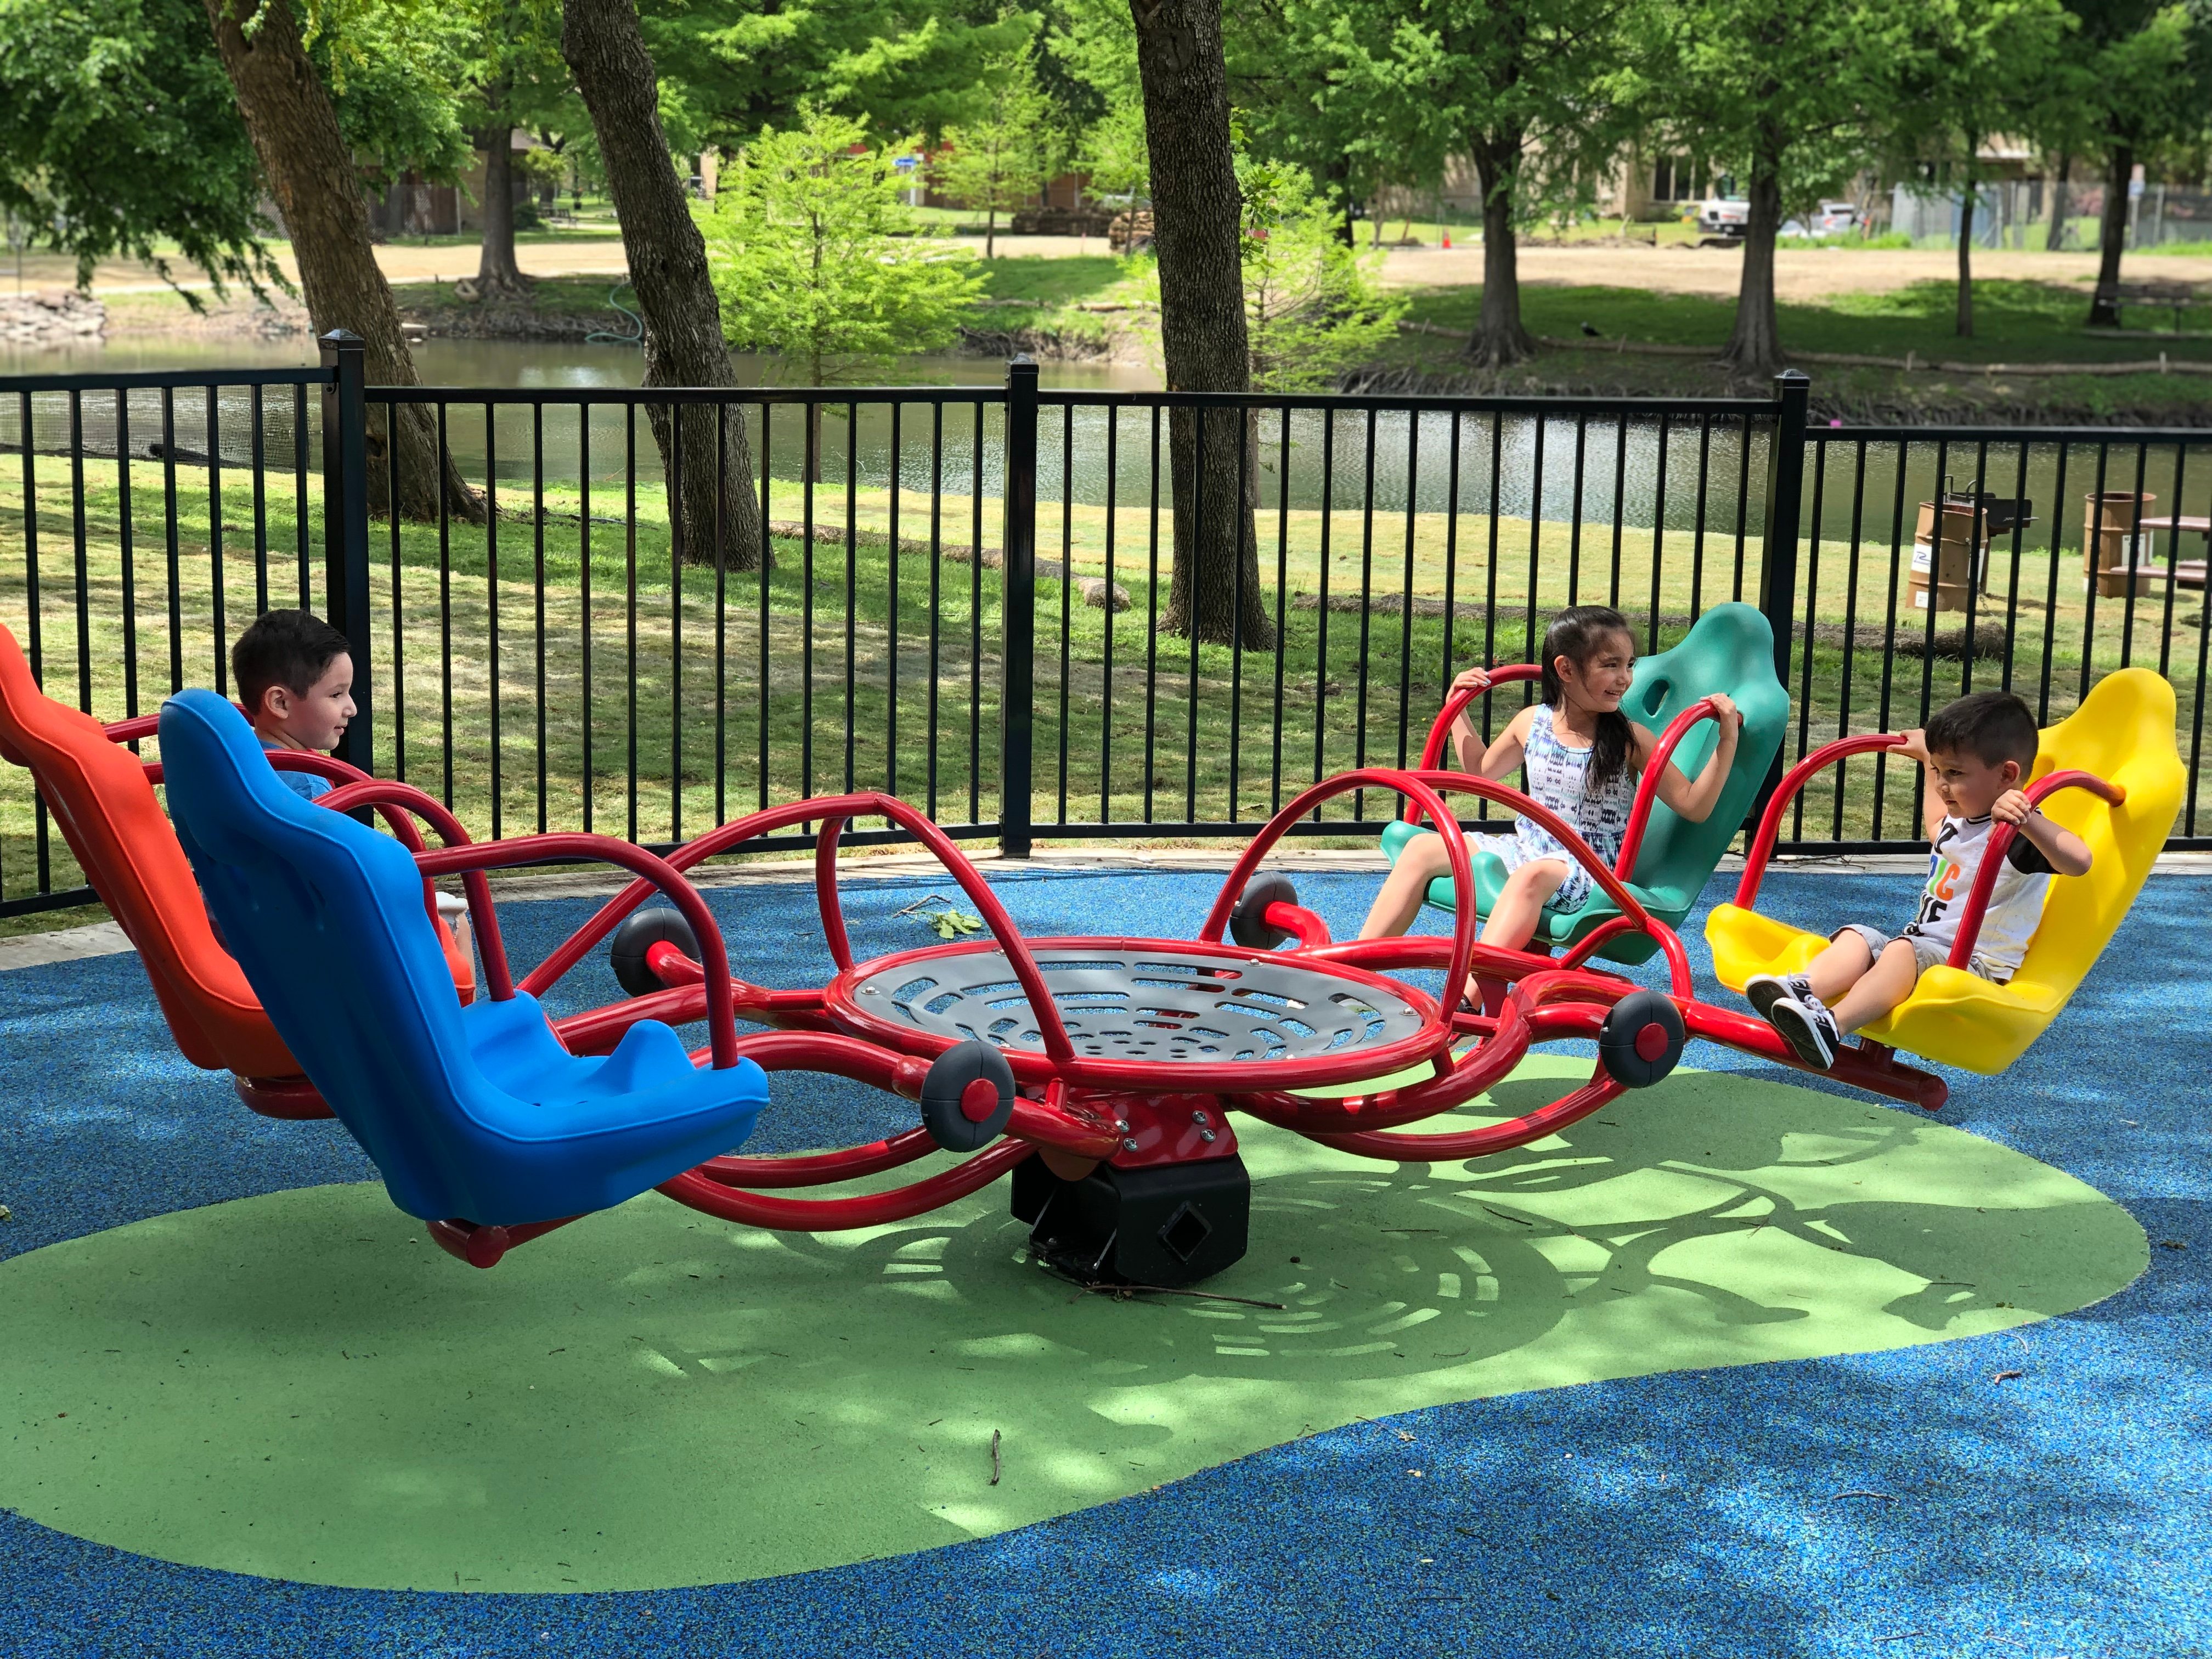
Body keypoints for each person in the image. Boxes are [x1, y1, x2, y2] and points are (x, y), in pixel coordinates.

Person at [1359, 605, 1742, 956]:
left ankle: (1469, 1001)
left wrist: (1726, 742)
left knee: (1533, 876)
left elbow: (1693, 805)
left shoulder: (1631, 739)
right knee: (1422, 849)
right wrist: (1456, 706)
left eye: (1628, 664)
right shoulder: (1532, 722)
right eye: (1610, 665)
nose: (1624, 678)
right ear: (1566, 669)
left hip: (1589, 870)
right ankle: (1354, 971)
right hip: (1530, 848)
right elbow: (1479, 771)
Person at [1747, 688, 2092, 1070]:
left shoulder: (2013, 834)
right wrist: (1928, 759)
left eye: (1955, 773)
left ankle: (1832, 1026)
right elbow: (1934, 825)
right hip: (1921, 948)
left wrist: (2029, 820)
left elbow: (2079, 862)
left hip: (1972, 966)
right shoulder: (1961, 821)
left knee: (1900, 951)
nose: (1943, 784)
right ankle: (1803, 990)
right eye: (1940, 773)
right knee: (1858, 936)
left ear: (2007, 776)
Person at [230, 610, 354, 801]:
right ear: (280, 703)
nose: (352, 709)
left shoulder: (237, 763)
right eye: (336, 694)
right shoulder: (308, 789)